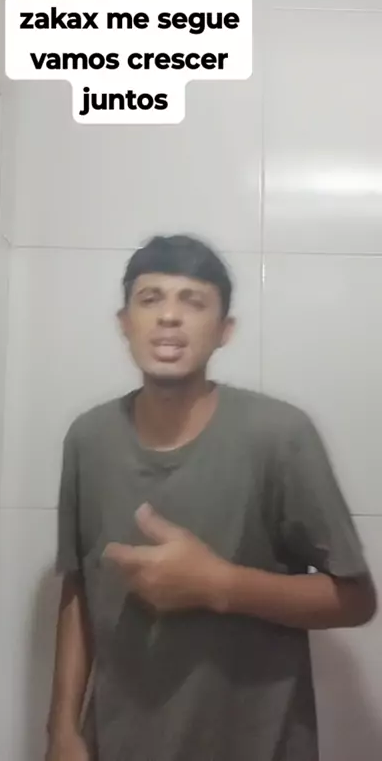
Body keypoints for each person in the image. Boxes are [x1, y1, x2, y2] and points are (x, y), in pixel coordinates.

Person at [45, 234, 376, 761]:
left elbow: (356, 600)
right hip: (119, 741)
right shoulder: (88, 439)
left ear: (225, 331)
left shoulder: (279, 436)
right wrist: (62, 730)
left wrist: (218, 585)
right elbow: (79, 588)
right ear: (124, 323)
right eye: (150, 298)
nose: (168, 316)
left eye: (193, 301)